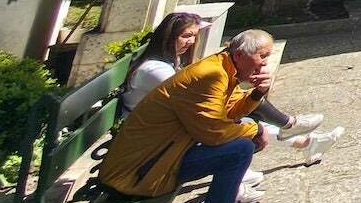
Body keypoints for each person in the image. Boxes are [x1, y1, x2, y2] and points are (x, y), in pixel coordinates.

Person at [101, 29, 277, 203]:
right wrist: (255, 129)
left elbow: (230, 113)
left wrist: (257, 93)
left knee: (240, 144)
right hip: (140, 171)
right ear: (239, 55)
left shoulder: (224, 68)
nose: (265, 63)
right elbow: (214, 133)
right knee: (239, 150)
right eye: (262, 56)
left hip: (161, 156)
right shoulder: (211, 75)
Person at [121, 12, 340, 170]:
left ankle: (302, 138)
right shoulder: (156, 70)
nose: (192, 41)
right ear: (168, 37)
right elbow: (195, 105)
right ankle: (293, 131)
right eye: (185, 36)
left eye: (194, 35)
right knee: (244, 123)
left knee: (246, 112)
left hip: (174, 125)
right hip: (157, 138)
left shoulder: (170, 62)